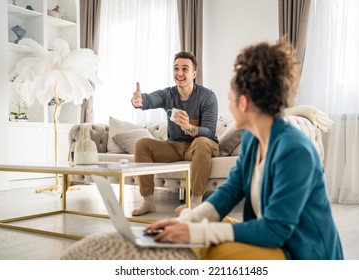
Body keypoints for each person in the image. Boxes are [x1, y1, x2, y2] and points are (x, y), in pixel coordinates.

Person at [143, 39, 344, 260]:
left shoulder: (296, 152)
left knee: (211, 248)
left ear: (245, 104)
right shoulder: (252, 140)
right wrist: (185, 223)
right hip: (270, 237)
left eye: (230, 100)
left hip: (300, 253)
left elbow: (274, 230)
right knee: (189, 218)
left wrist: (196, 231)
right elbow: (231, 190)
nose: (228, 106)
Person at [131, 51, 219, 216]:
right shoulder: (168, 94)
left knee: (200, 142)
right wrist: (138, 101)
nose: (179, 73)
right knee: (142, 144)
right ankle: (148, 201)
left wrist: (189, 127)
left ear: (194, 74)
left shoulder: (208, 97)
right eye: (176, 68)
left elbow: (209, 131)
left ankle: (195, 201)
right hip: (175, 146)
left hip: (201, 146)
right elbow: (150, 99)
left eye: (185, 69)